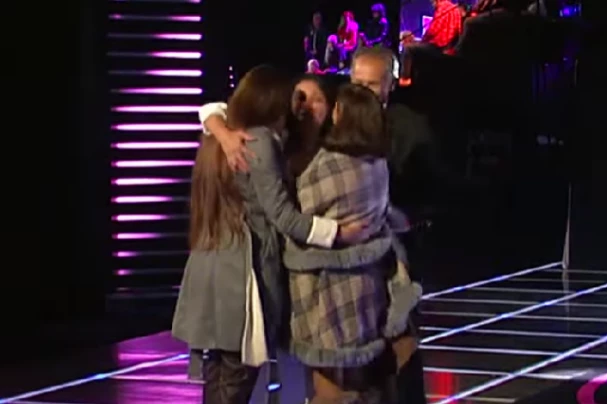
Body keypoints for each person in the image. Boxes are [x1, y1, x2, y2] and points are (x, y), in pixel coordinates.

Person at [199, 49, 438, 403]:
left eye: (317, 99)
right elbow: (217, 110)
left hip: (367, 277)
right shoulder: (279, 144)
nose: (307, 107)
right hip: (295, 282)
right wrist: (221, 131)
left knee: (387, 369)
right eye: (300, 98)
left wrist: (388, 219)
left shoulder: (352, 142)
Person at [172, 65, 368, 404]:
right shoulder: (257, 140)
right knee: (234, 375)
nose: (300, 106)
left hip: (217, 264)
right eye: (296, 98)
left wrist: (218, 128)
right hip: (241, 273)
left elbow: (212, 112)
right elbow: (282, 215)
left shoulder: (227, 136)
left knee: (221, 372)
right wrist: (337, 232)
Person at [285, 82, 422, 403]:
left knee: (330, 385)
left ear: (339, 113)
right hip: (366, 286)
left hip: (325, 289)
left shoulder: (328, 166)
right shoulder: (378, 164)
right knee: (361, 379)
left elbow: (297, 214)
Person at [400, 0, 462, 85]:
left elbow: (433, 30)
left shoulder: (442, 7)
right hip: (449, 48)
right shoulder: (456, 9)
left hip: (437, 47)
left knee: (408, 48)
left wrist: (421, 41)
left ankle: (404, 81)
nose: (432, 3)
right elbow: (458, 31)